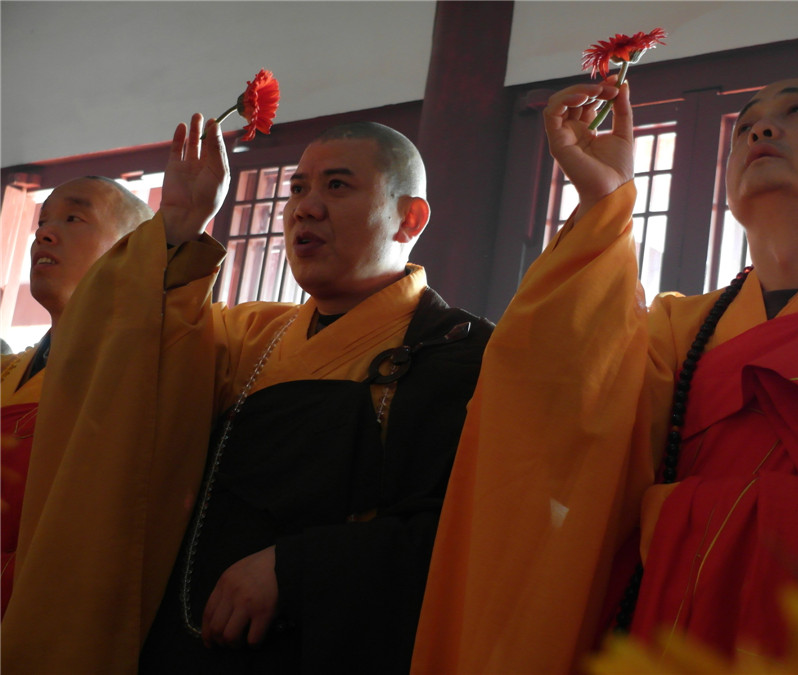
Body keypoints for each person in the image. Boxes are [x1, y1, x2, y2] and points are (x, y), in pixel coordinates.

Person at [412, 76, 798, 673]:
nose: (761, 130)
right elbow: (561, 413)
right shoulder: (676, 328)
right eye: (745, 126)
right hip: (661, 630)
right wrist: (604, 201)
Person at [1, 115, 492, 675]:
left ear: (410, 219)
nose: (305, 208)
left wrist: (298, 567)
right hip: (191, 641)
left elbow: (463, 534)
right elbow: (128, 365)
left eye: (336, 185)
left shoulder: (455, 351)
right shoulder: (252, 333)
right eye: (297, 189)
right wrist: (180, 226)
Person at [0, 176, 152, 618]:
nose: (44, 234)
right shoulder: (9, 370)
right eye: (43, 221)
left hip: (54, 613)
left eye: (73, 218)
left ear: (132, 252)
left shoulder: (139, 371)